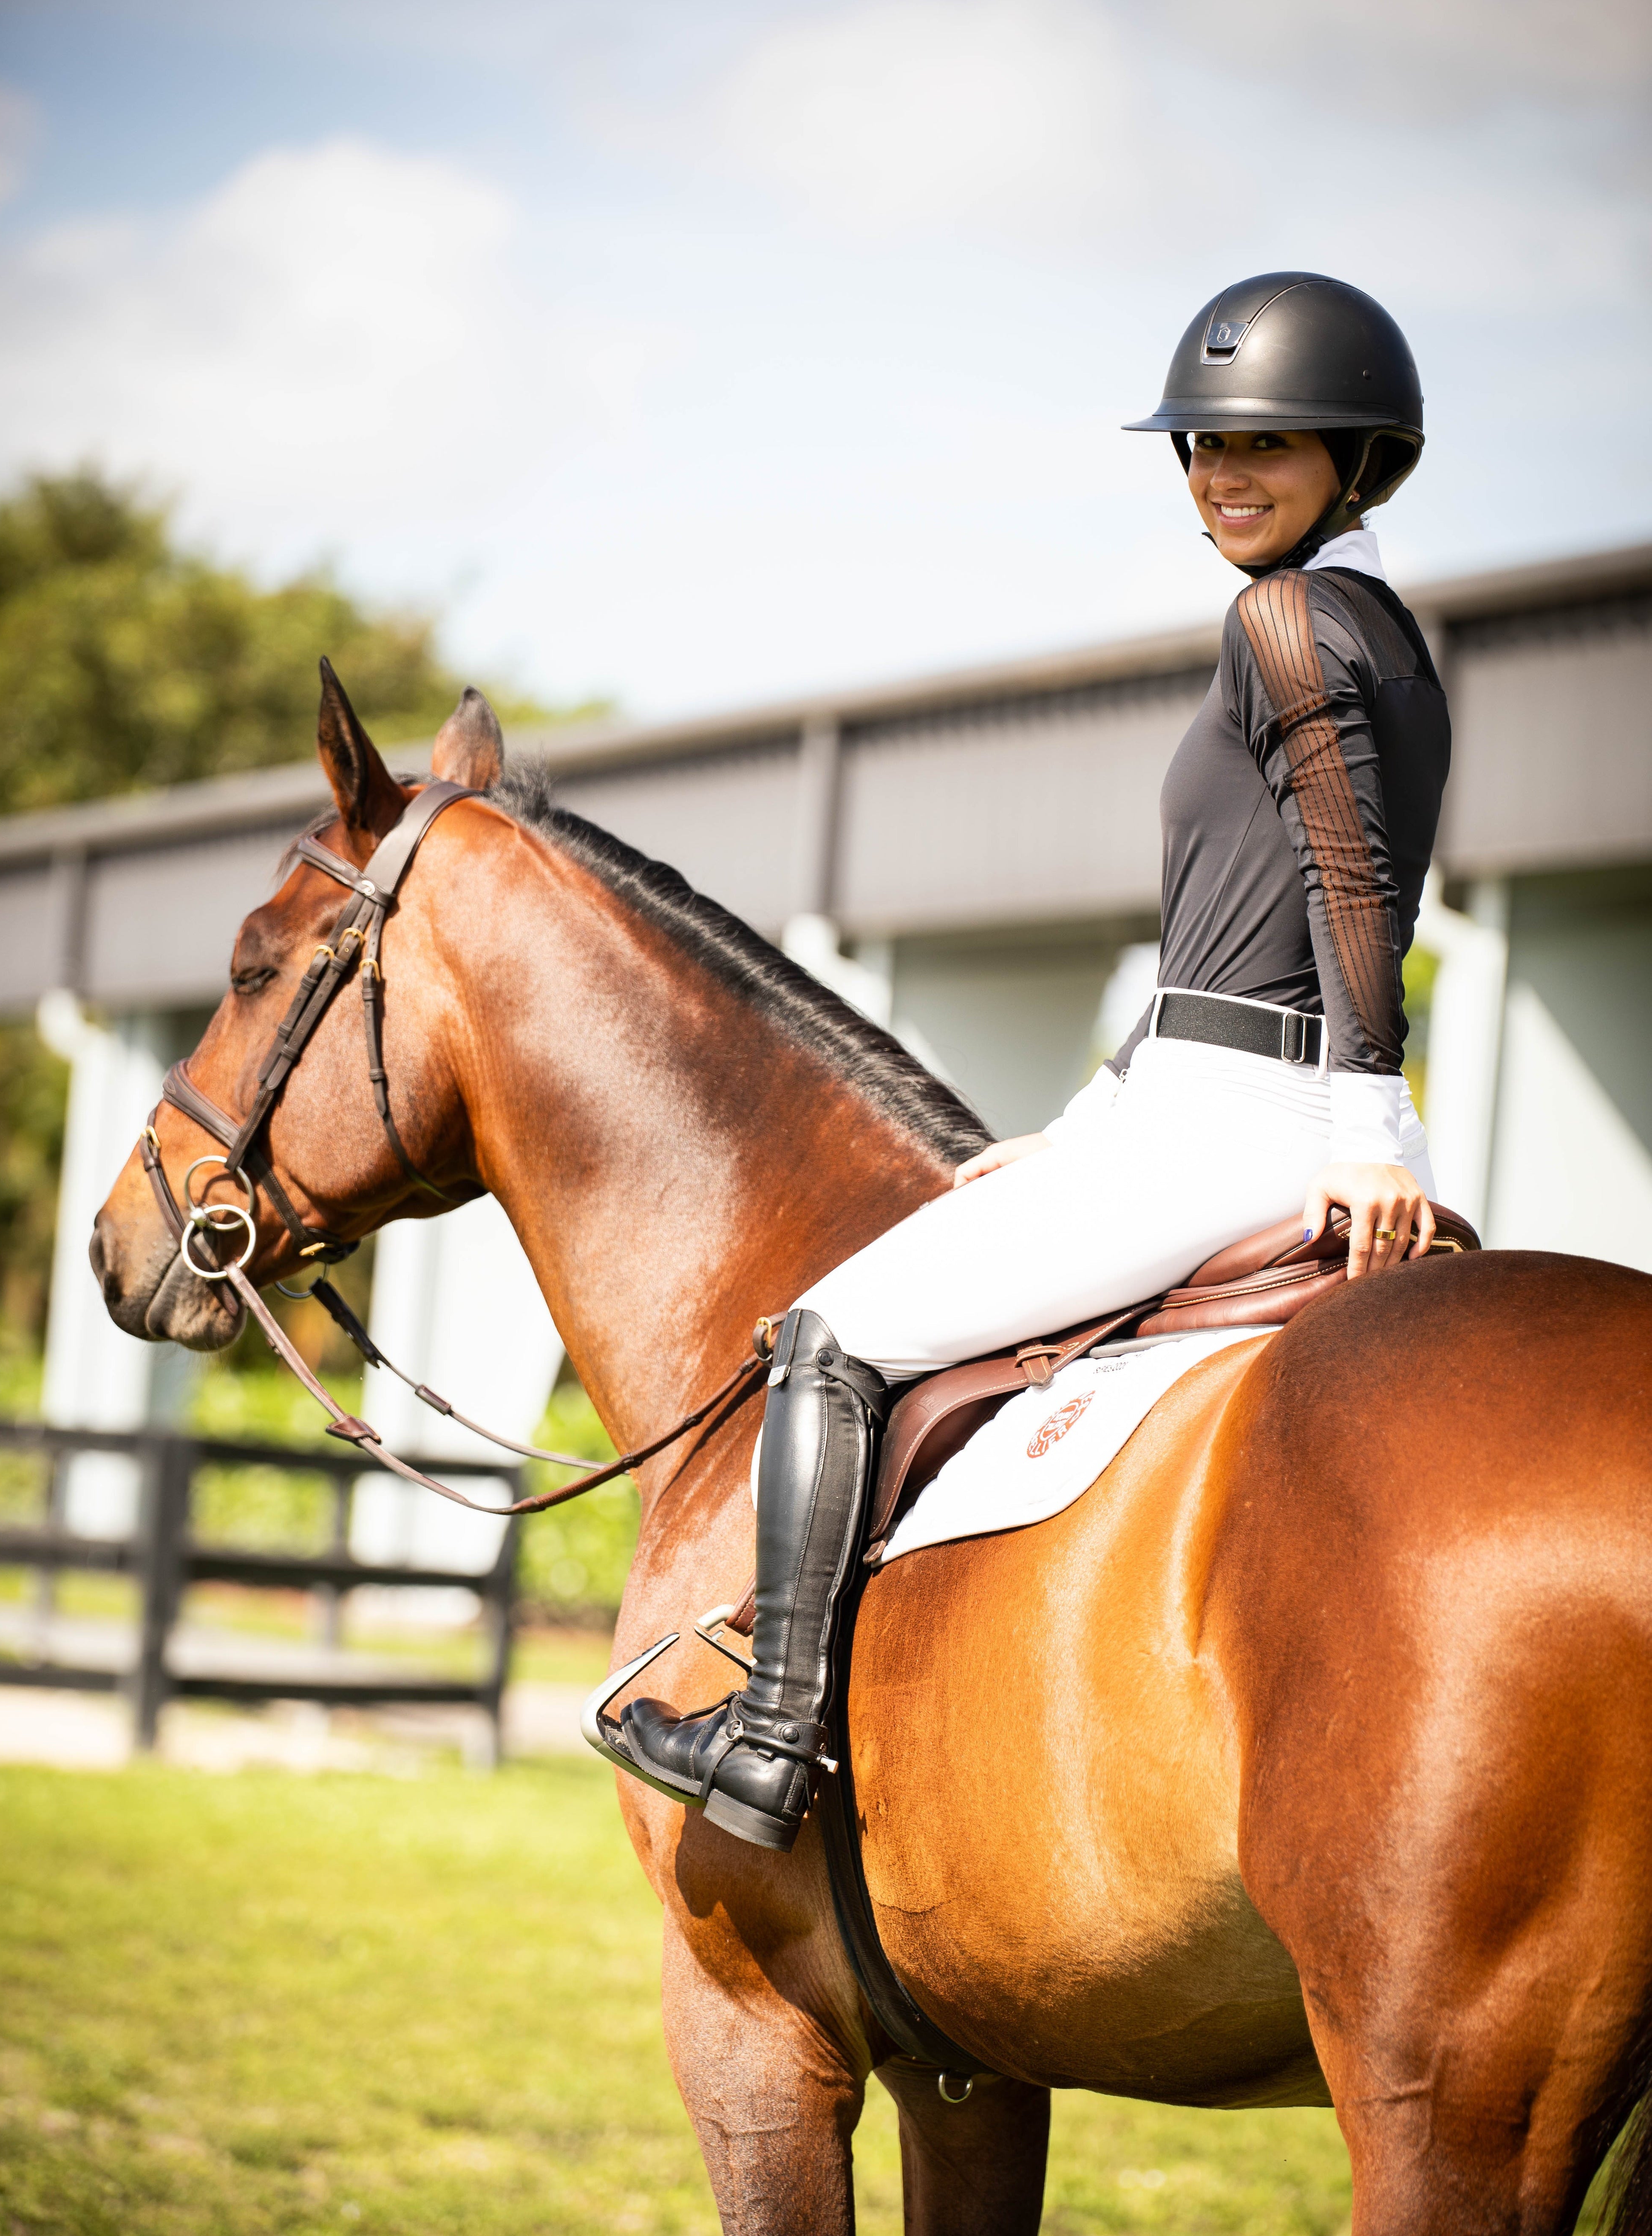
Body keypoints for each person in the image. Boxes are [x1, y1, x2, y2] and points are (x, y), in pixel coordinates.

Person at [617, 271, 1451, 1853]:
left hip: (1258, 1123)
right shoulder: (1384, 633)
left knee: (828, 1331)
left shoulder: (1279, 619)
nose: (1221, 476)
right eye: (1201, 446)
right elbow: (1225, 917)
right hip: (1206, 1103)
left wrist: (1369, 1127)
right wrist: (1086, 1127)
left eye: (1264, 443)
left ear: (1356, 454)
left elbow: (1351, 888)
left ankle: (771, 1733)